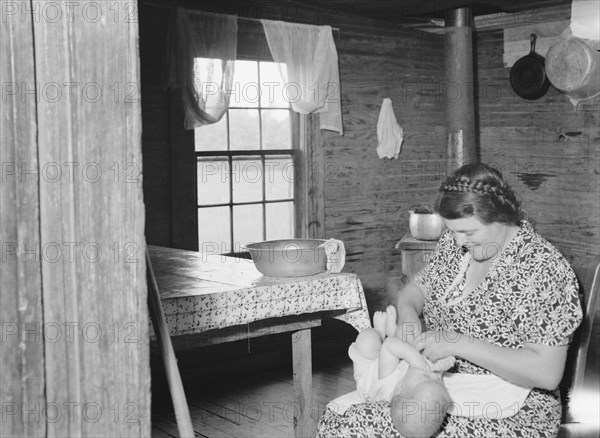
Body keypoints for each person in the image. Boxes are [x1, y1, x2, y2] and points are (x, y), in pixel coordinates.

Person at [317, 163, 583, 437]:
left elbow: (547, 373)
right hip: (446, 384)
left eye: (468, 232)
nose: (458, 242)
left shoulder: (542, 269)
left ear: (500, 217)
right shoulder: (456, 246)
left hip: (517, 407)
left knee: (359, 423)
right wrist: (409, 319)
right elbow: (414, 291)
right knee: (340, 412)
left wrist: (457, 342)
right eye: (452, 231)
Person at [329, 305, 454, 438]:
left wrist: (417, 359)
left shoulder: (387, 384)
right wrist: (444, 363)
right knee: (412, 340)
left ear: (399, 388)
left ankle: (380, 332)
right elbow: (435, 371)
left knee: (365, 340)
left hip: (371, 367)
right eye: (433, 380)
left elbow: (388, 345)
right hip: (395, 360)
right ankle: (394, 331)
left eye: (424, 375)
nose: (428, 372)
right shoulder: (424, 384)